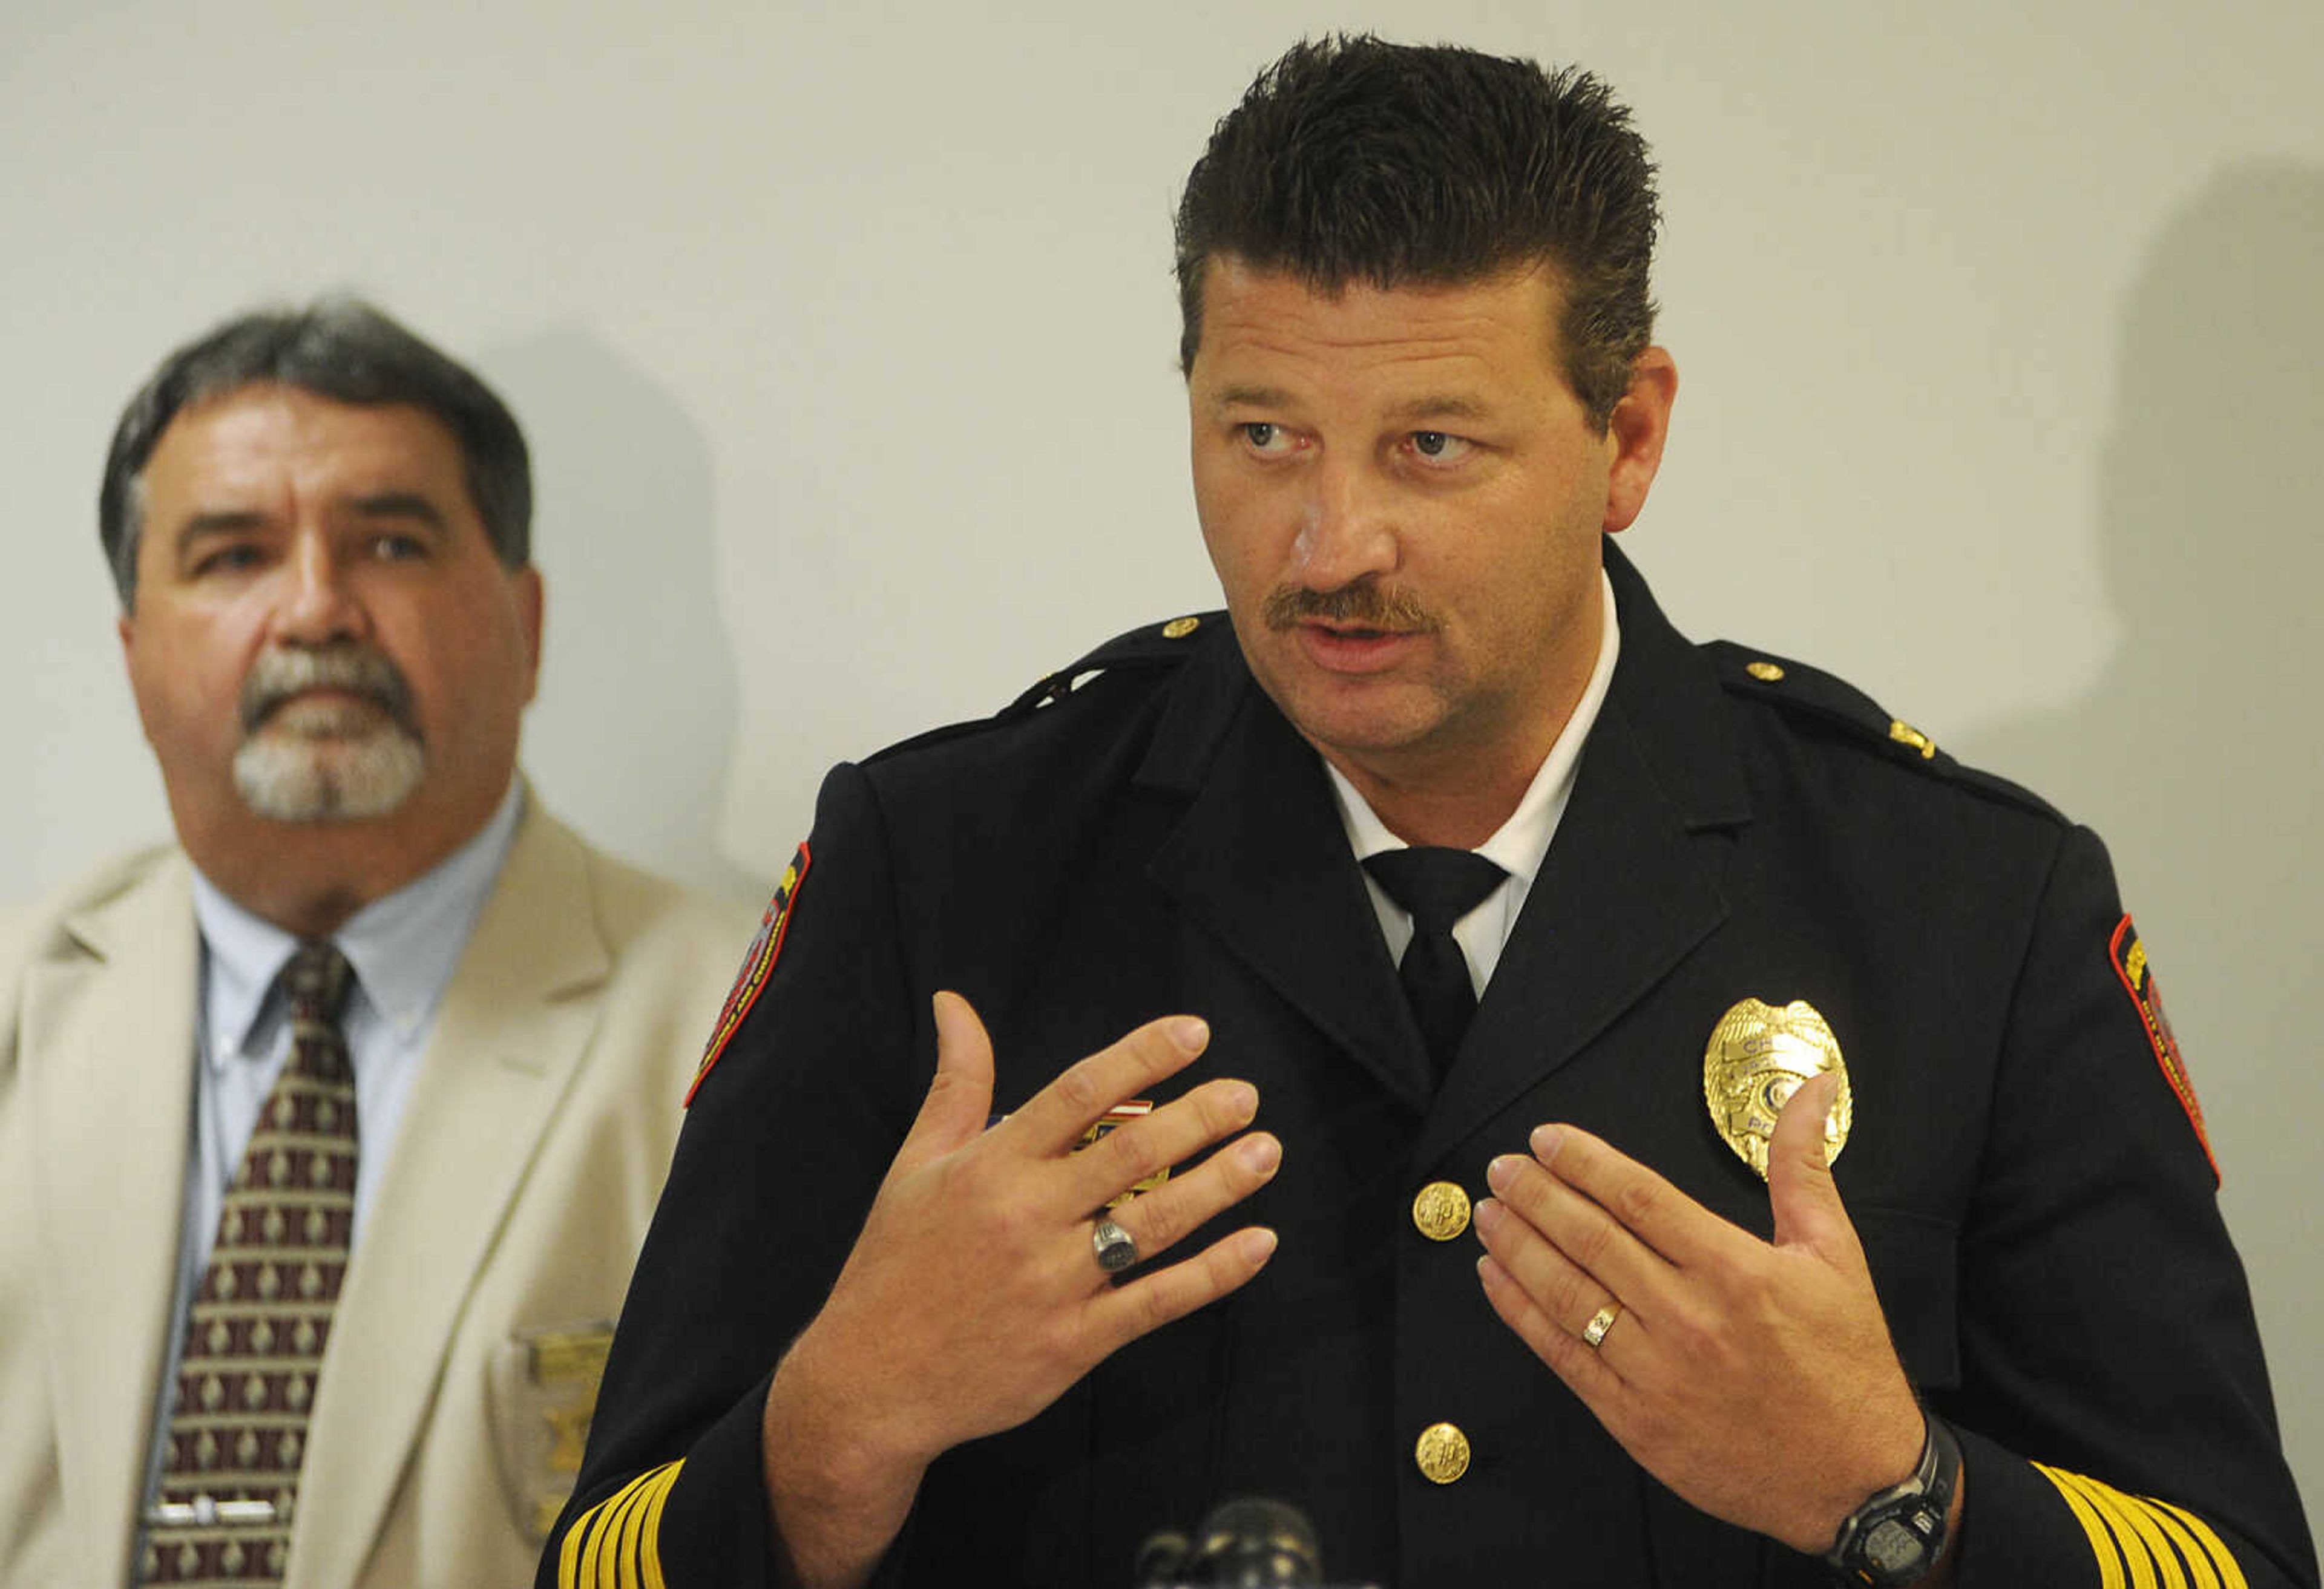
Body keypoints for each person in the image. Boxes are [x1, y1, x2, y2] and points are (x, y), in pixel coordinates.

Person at [547, 38, 2317, 1589]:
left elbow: (2232, 1555)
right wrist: (842, 1423)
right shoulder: (940, 873)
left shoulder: (1962, 910)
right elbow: (601, 1551)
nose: (1330, 549)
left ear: (1626, 437)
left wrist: (1894, 1493)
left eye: (1431, 448)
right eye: (1261, 436)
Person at [0, 300, 757, 1588]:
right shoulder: (22, 1004)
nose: (315, 611)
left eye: (391, 543)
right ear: (134, 658)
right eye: (234, 554)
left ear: (527, 626)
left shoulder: (743, 1020)